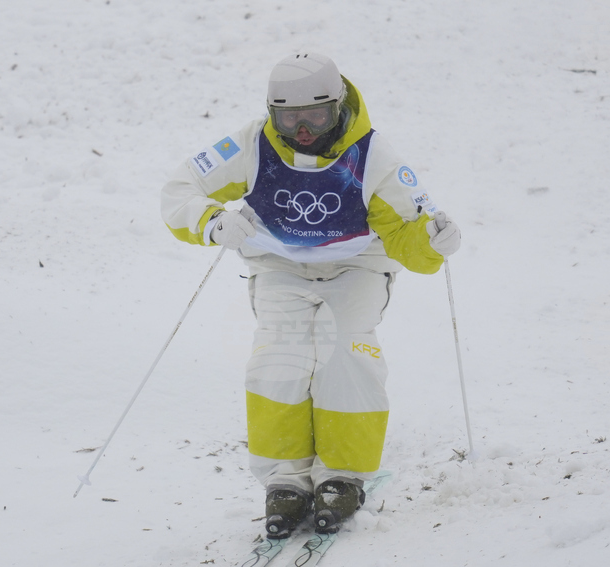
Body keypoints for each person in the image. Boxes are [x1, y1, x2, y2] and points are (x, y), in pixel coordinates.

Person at [161, 53, 461, 538]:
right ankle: (285, 479)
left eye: (315, 117)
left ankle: (343, 475)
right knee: (279, 353)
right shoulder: (250, 145)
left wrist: (434, 242)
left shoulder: (373, 158)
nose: (301, 130)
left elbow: (412, 240)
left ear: (337, 107)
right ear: (272, 111)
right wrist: (212, 222)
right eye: (289, 118)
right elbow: (179, 190)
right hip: (280, 264)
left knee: (345, 347)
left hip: (357, 266)